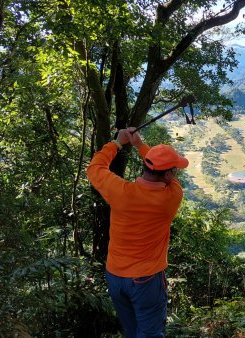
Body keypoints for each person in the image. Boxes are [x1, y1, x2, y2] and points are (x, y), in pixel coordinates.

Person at [86, 127, 188, 337]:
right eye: (175, 170)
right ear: (168, 175)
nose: (176, 174)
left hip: (115, 276)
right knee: (149, 333)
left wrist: (117, 143)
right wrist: (141, 145)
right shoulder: (172, 197)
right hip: (146, 280)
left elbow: (95, 168)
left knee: (131, 331)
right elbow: (168, 177)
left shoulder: (121, 192)